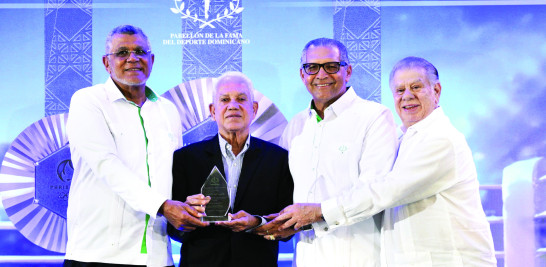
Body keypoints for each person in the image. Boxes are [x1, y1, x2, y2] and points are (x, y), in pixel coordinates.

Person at [272, 56, 497, 266]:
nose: (407, 96)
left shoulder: (441, 139)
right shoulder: (403, 138)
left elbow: (387, 190)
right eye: (400, 90)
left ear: (436, 90)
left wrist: (319, 211)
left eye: (416, 87)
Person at [64, 25, 207, 267]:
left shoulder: (167, 110)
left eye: (140, 51)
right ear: (106, 63)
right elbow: (106, 165)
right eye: (122, 53)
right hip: (98, 255)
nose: (133, 58)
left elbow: (173, 175)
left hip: (158, 256)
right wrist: (163, 206)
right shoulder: (88, 101)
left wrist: (189, 205)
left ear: (151, 60)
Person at [259, 38, 399, 266]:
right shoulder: (296, 126)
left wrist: (318, 212)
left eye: (331, 66)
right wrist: (269, 222)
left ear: (348, 71)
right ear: (302, 75)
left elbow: (376, 190)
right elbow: (283, 192)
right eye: (312, 67)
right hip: (306, 257)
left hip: (358, 256)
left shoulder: (374, 117)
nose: (321, 75)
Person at [169, 71, 294, 267]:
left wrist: (256, 222)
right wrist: (187, 216)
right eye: (225, 99)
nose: (233, 105)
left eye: (241, 99)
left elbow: (288, 226)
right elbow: (172, 228)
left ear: (253, 109)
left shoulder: (278, 159)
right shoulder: (185, 159)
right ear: (212, 111)